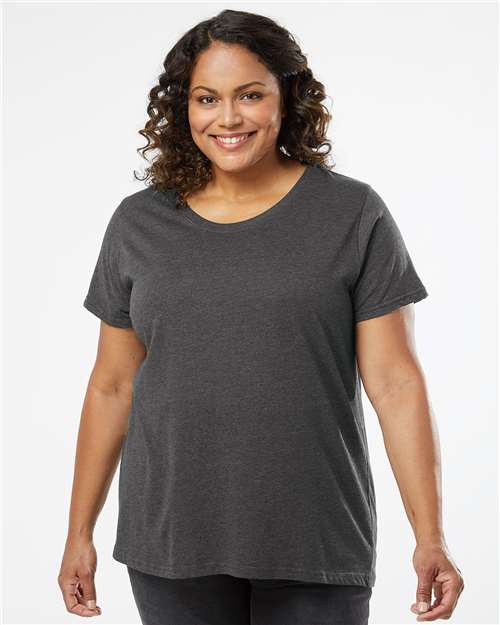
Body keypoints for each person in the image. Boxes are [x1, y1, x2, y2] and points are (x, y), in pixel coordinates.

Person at [57, 8, 464, 625]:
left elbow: (396, 383)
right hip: (172, 541)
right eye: (206, 98)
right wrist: (77, 534)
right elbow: (112, 384)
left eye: (250, 95)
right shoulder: (138, 223)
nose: (227, 118)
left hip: (315, 538)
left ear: (287, 98)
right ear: (182, 108)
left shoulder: (352, 213)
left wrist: (430, 537)